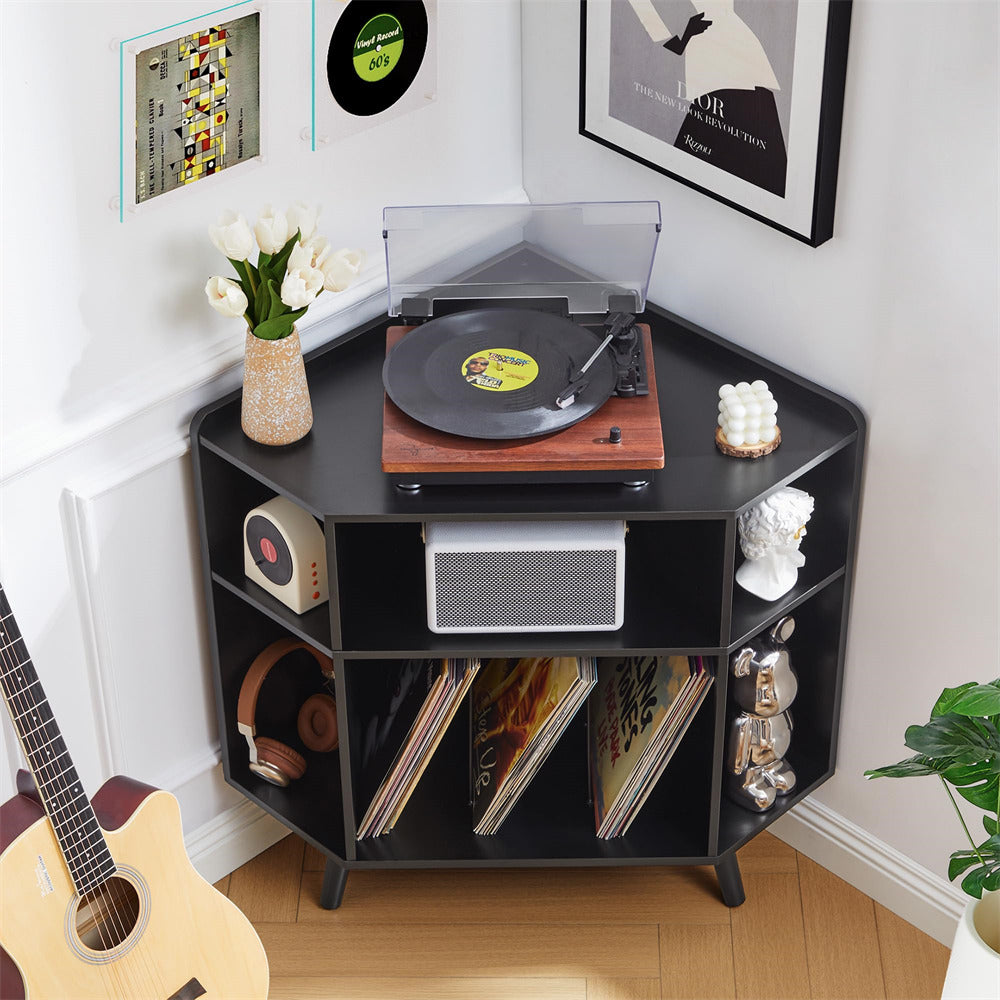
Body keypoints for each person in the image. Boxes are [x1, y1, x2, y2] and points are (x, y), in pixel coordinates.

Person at [626, 0, 788, 196]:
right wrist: (686, 34)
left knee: (762, 170)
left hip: (743, 63)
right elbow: (656, 29)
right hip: (714, 73)